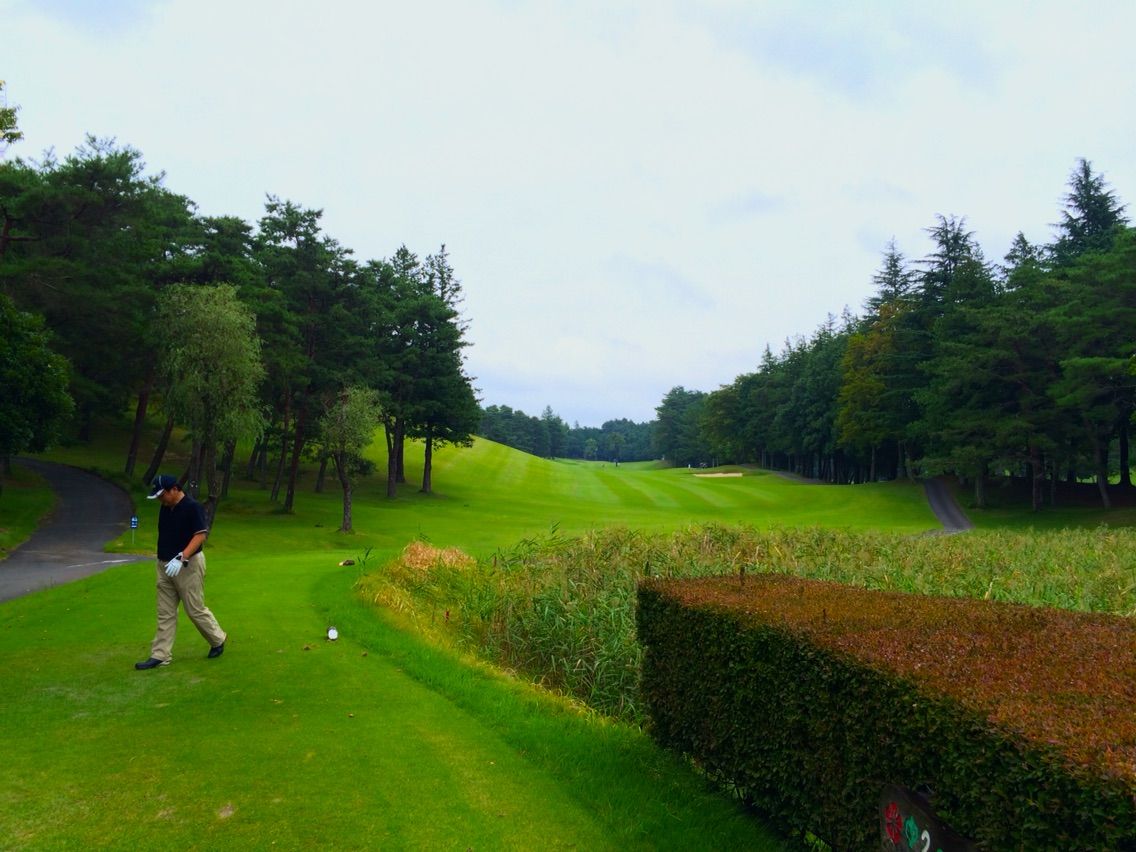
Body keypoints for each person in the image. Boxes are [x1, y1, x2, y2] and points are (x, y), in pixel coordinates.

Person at [135, 474, 227, 670]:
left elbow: (200, 535)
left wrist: (181, 556)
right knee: (165, 612)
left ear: (174, 489)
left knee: (194, 609)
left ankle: (217, 639)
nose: (160, 499)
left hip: (188, 565)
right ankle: (160, 655)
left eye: (162, 495)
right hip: (164, 565)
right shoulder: (166, 507)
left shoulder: (192, 507)